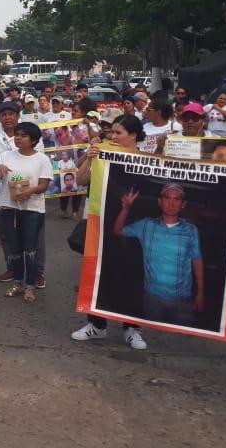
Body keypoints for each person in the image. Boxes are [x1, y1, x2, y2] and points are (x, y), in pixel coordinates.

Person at [71, 114, 149, 350]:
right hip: (101, 223)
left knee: (133, 276)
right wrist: (90, 158)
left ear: (134, 135)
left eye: (118, 133)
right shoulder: (101, 153)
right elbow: (81, 180)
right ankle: (96, 324)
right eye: (111, 132)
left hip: (133, 228)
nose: (112, 137)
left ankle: (132, 328)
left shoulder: (146, 160)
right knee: (98, 274)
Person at [111, 183, 204, 325]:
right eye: (167, 198)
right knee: (153, 337)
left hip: (182, 300)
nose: (171, 203)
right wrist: (125, 209)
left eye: (177, 199)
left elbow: (197, 261)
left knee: (179, 342)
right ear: (160, 202)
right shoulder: (146, 225)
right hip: (152, 297)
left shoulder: (191, 230)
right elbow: (117, 231)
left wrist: (200, 292)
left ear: (183, 204)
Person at [0, 101, 46, 287]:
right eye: (3, 114)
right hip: (1, 191)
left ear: (18, 116)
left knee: (35, 234)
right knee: (5, 233)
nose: (7, 117)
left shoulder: (30, 133)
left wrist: (32, 188)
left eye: (11, 113)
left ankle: (37, 271)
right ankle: (12, 266)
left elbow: (38, 160)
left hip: (29, 192)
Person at [0, 121, 53, 304]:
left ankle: (30, 286)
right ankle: (18, 283)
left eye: (23, 135)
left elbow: (44, 184)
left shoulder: (42, 159)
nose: (18, 138)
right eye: (17, 135)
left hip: (32, 209)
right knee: (15, 249)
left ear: (33, 140)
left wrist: (28, 192)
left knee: (30, 249)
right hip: (8, 207)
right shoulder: (6, 155)